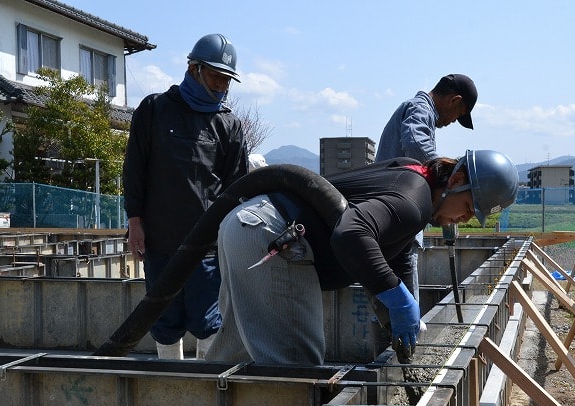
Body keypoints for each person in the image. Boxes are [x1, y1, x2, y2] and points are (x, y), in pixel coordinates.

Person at [204, 149, 518, 366]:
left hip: (245, 223)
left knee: (236, 351)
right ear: (455, 181)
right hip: (275, 239)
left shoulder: (411, 173)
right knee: (295, 365)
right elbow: (351, 233)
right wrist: (398, 298)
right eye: (467, 209)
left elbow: (389, 250)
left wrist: (398, 304)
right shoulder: (414, 204)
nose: (462, 220)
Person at [123, 33, 248, 360]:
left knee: (208, 321)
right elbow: (134, 170)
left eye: (226, 79)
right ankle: (172, 384)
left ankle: (205, 388)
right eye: (216, 76)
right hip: (159, 241)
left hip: (206, 247)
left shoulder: (228, 125)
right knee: (164, 318)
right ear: (194, 68)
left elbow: (238, 188)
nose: (222, 85)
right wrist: (135, 222)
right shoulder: (154, 110)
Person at [375, 74, 478, 302]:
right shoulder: (420, 108)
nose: (452, 121)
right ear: (454, 100)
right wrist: (443, 175)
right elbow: (415, 142)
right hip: (398, 219)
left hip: (395, 220)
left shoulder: (419, 111)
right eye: (458, 115)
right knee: (405, 305)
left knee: (394, 304)